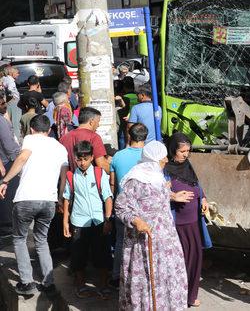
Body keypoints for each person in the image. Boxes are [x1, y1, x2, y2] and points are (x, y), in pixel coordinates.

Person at [115, 141, 188, 310]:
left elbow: (153, 197)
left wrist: (173, 196)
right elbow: (121, 207)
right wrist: (136, 220)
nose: (165, 161)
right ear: (153, 160)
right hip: (144, 241)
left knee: (167, 278)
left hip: (165, 241)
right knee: (148, 280)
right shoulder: (136, 180)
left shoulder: (156, 176)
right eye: (162, 159)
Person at [0, 115, 68, 296]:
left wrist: (5, 180)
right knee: (41, 240)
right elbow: (64, 176)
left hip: (26, 199)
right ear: (49, 130)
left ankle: (27, 282)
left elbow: (22, 158)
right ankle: (48, 282)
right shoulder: (60, 147)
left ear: (31, 129)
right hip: (49, 201)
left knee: (19, 239)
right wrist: (59, 198)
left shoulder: (30, 139)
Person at [165, 133, 212, 307]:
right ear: (172, 150)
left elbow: (196, 184)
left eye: (188, 151)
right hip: (177, 224)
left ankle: (191, 296)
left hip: (194, 222)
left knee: (196, 258)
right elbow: (159, 191)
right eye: (182, 151)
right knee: (180, 261)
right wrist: (173, 196)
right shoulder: (165, 169)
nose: (185, 154)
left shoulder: (188, 166)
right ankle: (178, 296)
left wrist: (204, 198)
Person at [62, 141, 113, 298]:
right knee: (79, 255)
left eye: (85, 159)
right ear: (75, 158)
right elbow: (67, 198)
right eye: (79, 159)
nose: (82, 162)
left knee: (102, 254)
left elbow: (108, 198)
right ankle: (81, 284)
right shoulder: (71, 176)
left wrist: (107, 219)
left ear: (92, 157)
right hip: (78, 222)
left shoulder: (99, 174)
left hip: (98, 221)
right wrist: (65, 221)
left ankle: (104, 284)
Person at [109, 123, 148, 288]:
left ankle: (117, 277)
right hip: (144, 208)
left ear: (129, 135)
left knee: (120, 242)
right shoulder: (149, 157)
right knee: (142, 244)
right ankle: (141, 277)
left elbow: (112, 183)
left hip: (122, 206)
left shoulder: (118, 156)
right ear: (146, 137)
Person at [59, 107, 109, 173]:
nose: (98, 125)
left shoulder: (63, 138)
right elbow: (101, 165)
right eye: (98, 122)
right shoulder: (94, 137)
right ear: (91, 122)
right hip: (90, 181)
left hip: (70, 180)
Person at [0, 93, 21, 236]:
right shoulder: (1, 121)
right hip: (6, 161)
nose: (4, 105)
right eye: (2, 103)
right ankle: (6, 225)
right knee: (7, 194)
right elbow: (8, 144)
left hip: (4, 160)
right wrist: (18, 156)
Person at [3, 66, 22, 140]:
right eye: (17, 73)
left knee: (8, 122)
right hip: (14, 102)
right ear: (12, 73)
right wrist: (11, 96)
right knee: (16, 123)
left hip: (9, 102)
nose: (18, 74)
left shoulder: (5, 79)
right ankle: (16, 139)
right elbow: (10, 90)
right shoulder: (11, 81)